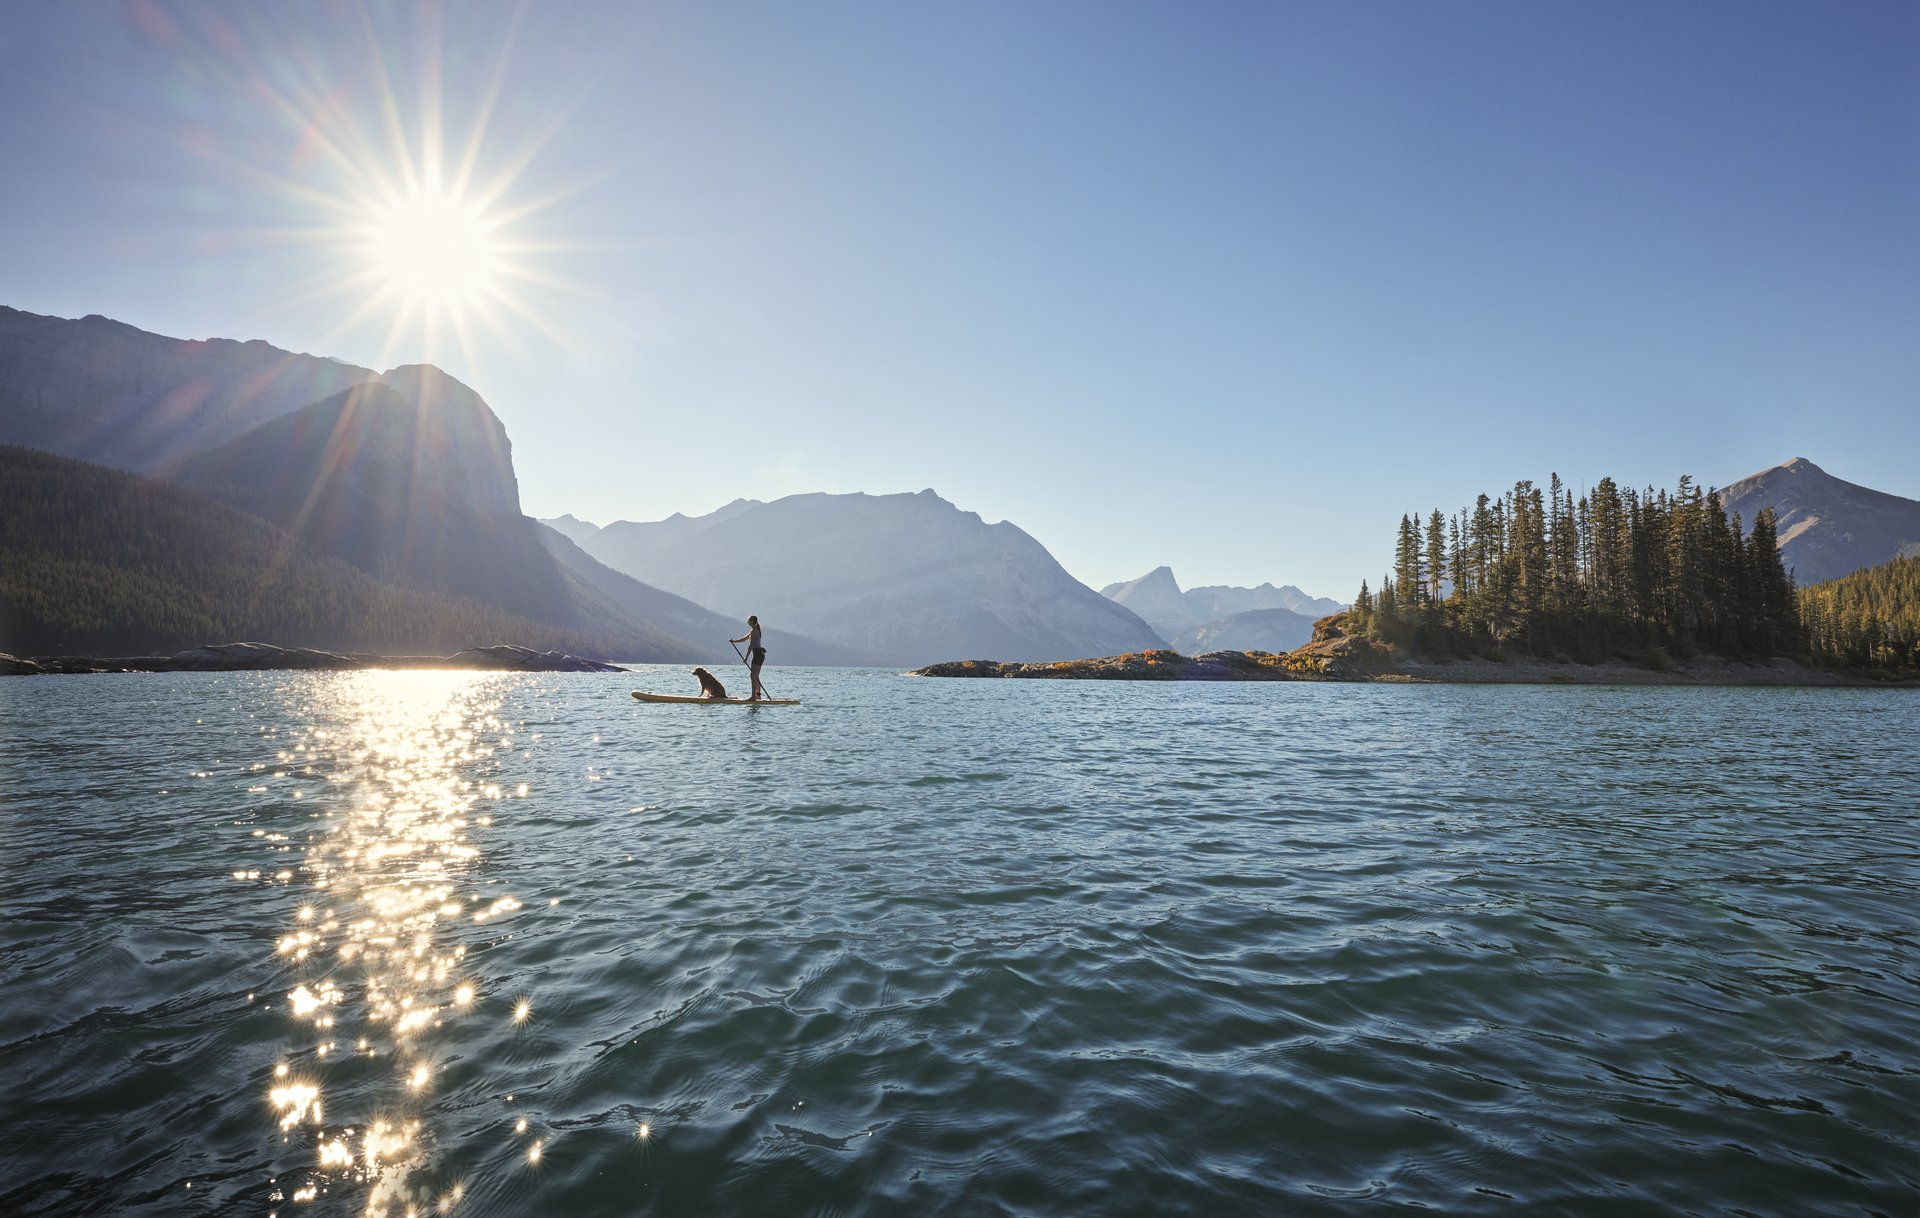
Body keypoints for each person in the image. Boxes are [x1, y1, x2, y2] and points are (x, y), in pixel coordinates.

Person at [730, 615, 767, 702]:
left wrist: (746, 657)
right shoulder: (753, 631)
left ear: (752, 621)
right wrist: (734, 641)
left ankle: (753, 697)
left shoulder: (755, 631)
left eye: (748, 621)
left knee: (752, 675)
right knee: (756, 676)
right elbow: (744, 639)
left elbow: (751, 645)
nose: (747, 622)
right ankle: (758, 695)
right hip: (759, 655)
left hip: (758, 654)